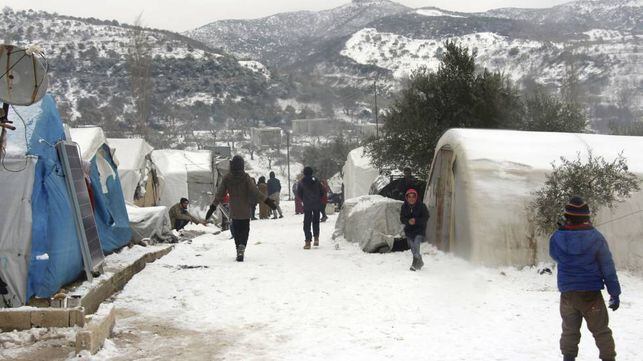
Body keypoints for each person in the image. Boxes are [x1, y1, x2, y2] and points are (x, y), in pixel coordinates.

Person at [549, 196, 620, 361]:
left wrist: (561, 231)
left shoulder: (557, 237)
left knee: (569, 331)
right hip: (591, 295)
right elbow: (607, 266)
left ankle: (568, 358)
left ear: (567, 216)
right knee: (601, 331)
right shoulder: (596, 237)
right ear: (587, 216)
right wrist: (614, 293)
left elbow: (554, 255)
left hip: (568, 294)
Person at [206, 155, 276, 262]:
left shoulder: (227, 178)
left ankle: (238, 247)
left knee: (237, 230)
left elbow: (220, 194)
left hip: (234, 209)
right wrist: (268, 201)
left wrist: (212, 207)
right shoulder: (246, 177)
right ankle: (242, 247)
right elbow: (255, 192)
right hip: (245, 208)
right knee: (245, 229)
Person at [399, 188, 429, 271]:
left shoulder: (422, 206)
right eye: (409, 197)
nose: (411, 199)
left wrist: (416, 221)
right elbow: (402, 218)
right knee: (412, 247)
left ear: (416, 197)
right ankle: (420, 261)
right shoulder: (404, 207)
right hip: (409, 230)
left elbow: (426, 217)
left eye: (413, 197)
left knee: (416, 244)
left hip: (419, 229)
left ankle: (414, 264)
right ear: (407, 198)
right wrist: (408, 221)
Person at [297, 166, 324, 249]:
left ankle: (308, 242)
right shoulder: (317, 181)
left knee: (307, 223)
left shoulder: (301, 182)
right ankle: (316, 238)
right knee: (316, 221)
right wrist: (318, 198)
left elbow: (299, 193)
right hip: (316, 204)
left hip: (307, 205)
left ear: (304, 173)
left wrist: (304, 199)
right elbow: (322, 192)